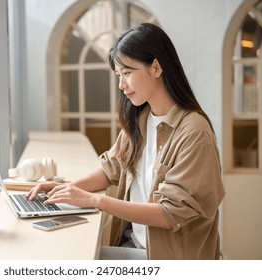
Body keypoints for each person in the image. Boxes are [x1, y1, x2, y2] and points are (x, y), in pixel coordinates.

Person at [26, 23, 225, 260]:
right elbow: (111, 168)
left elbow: (170, 213)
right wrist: (66, 189)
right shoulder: (139, 120)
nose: (121, 85)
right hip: (133, 246)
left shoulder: (194, 133)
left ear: (156, 67)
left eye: (127, 73)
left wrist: (95, 200)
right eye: (119, 75)